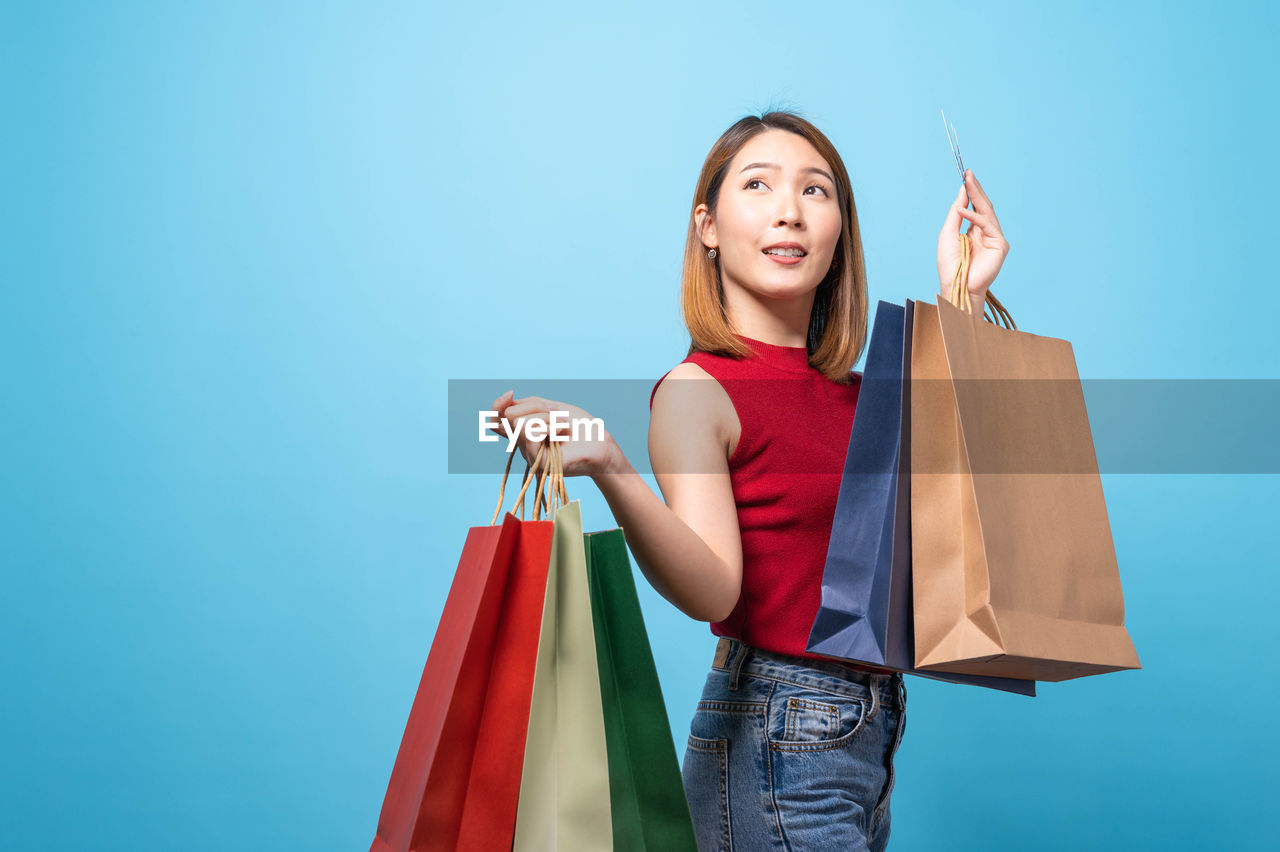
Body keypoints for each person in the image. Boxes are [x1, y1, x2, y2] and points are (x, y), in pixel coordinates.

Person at [487, 110, 1009, 851]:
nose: (789, 210)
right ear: (708, 225)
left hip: (869, 733)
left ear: (840, 232)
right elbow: (714, 589)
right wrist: (609, 462)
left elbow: (948, 503)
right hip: (777, 730)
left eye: (816, 191)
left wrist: (964, 294)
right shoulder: (699, 390)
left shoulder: (863, 394)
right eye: (758, 185)